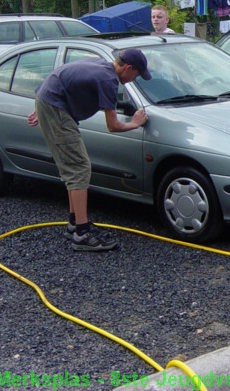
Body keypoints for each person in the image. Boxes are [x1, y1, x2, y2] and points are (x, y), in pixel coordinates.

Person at [27, 49, 150, 251]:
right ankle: (81, 233)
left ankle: (75, 222)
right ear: (128, 68)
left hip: (52, 101)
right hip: (56, 107)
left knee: (74, 167)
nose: (134, 79)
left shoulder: (100, 63)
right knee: (78, 167)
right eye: (136, 75)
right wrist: (136, 123)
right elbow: (113, 126)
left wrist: (45, 104)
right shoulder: (108, 80)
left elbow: (63, 76)